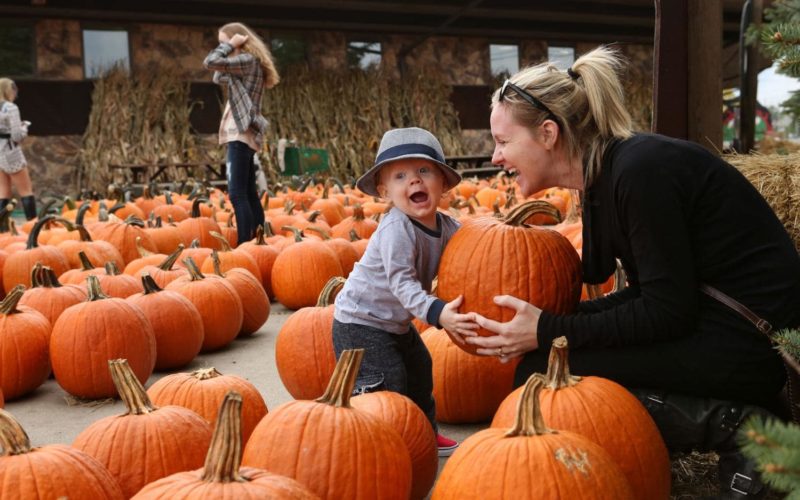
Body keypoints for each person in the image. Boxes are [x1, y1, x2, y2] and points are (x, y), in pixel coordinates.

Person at [454, 47, 800, 498]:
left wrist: (551, 330)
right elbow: (650, 297)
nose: (496, 156)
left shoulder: (640, 172)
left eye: (502, 141)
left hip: (758, 345)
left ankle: (740, 426)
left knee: (542, 372)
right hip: (713, 326)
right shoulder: (602, 178)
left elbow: (667, 310)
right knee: (541, 367)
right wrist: (551, 330)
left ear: (547, 133)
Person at [332, 127, 475, 457]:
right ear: (385, 191)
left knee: (420, 367)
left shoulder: (448, 226)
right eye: (400, 176)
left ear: (442, 184)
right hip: (360, 324)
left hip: (393, 323)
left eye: (424, 171)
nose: (414, 181)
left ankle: (423, 432)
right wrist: (439, 313)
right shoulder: (396, 228)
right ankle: (387, 446)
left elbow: (476, 247)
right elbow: (403, 285)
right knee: (387, 384)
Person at [204, 22, 278, 245]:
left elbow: (210, 62)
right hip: (243, 134)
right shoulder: (245, 64)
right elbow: (217, 76)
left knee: (237, 194)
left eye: (223, 42)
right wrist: (229, 50)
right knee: (248, 192)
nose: (221, 47)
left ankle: (244, 244)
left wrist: (229, 47)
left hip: (240, 134)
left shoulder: (247, 61)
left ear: (238, 40)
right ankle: (258, 241)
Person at [0, 78, 37, 220]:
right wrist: (24, 127)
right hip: (11, 152)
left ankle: (2, 231)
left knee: (3, 193)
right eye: (14, 90)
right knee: (26, 191)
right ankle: (33, 226)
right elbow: (16, 136)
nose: (15, 93)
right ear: (9, 90)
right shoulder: (10, 107)